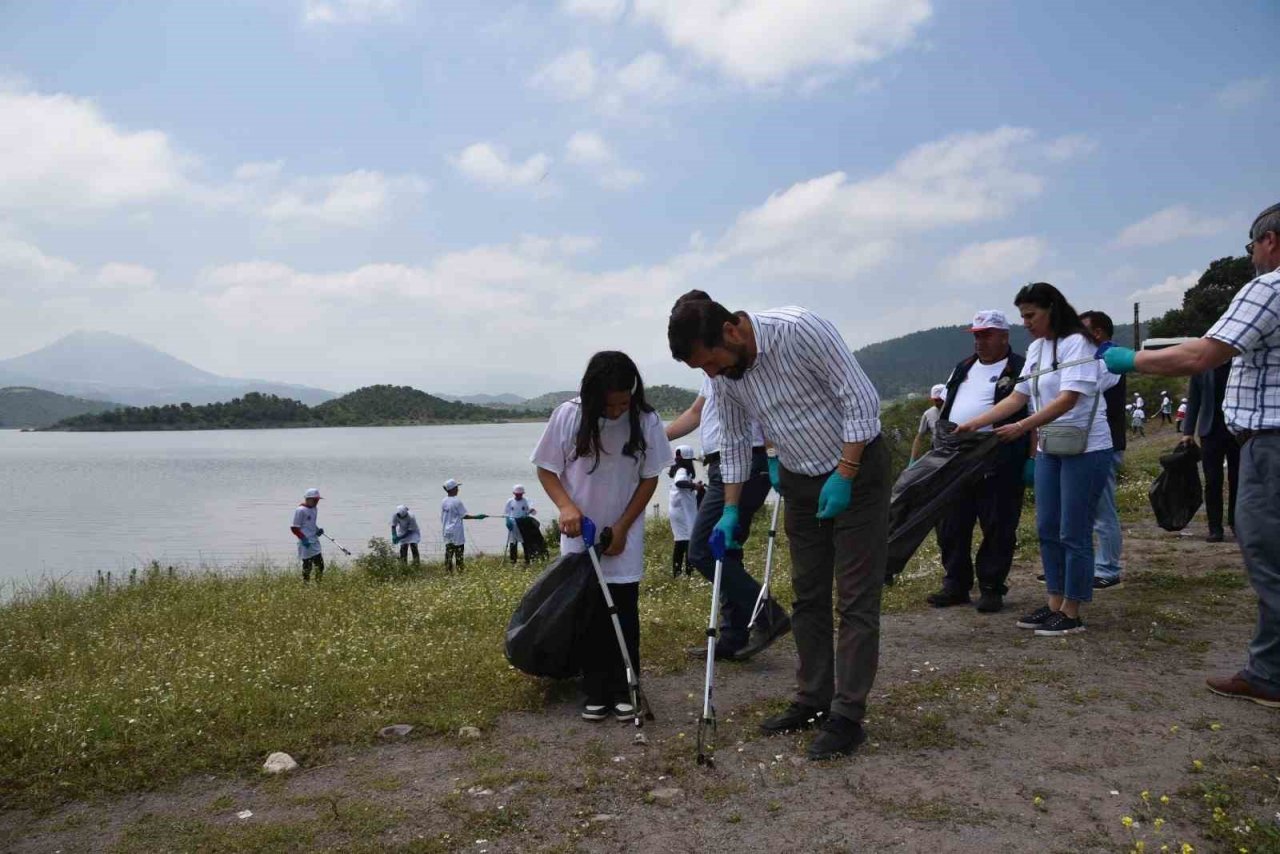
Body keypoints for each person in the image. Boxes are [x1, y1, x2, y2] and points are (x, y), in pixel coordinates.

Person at [668, 297, 888, 761]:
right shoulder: (724, 375)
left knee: (854, 596)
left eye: (710, 361)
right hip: (799, 478)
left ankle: (847, 715)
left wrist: (846, 474)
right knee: (808, 593)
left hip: (857, 470)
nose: (711, 374)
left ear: (732, 331)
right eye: (701, 369)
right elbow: (730, 439)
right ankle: (812, 699)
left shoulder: (799, 329)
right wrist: (729, 510)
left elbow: (860, 398)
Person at [1102, 202, 1280, 707]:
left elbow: (1203, 354)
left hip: (1271, 443)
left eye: (1251, 247)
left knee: (1268, 554)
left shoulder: (1270, 286)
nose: (1251, 258)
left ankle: (1271, 675)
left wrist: (1129, 358)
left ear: (1269, 240)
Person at [956, 282, 1116, 637]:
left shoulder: (1079, 343)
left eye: (1031, 315)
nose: (1026, 322)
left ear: (1052, 310)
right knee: (1047, 527)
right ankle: (1054, 601)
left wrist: (1022, 426)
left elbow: (1069, 399)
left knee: (1073, 530)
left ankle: (1073, 609)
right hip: (1049, 447)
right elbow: (1018, 396)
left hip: (1085, 447)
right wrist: (976, 423)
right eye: (1022, 316)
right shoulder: (1037, 349)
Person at [532, 351, 673, 721]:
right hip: (581, 533)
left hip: (624, 533)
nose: (615, 412)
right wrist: (566, 507)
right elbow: (547, 470)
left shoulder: (646, 419)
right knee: (589, 612)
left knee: (624, 610)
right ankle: (594, 689)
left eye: (622, 404)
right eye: (608, 406)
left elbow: (650, 477)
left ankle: (626, 687)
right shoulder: (568, 415)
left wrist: (624, 527)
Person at [666, 291, 790, 663]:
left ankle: (766, 612)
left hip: (745, 462)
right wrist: (653, 440)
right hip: (723, 462)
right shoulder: (712, 370)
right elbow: (694, 414)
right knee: (726, 549)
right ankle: (734, 635)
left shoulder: (734, 361)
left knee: (702, 548)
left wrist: (772, 456)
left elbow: (766, 410)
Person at [926, 310, 1030, 613]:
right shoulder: (964, 367)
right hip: (957, 457)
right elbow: (946, 406)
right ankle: (956, 584)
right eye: (976, 335)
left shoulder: (1020, 368)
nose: (979, 341)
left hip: (1000, 457)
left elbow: (1034, 413)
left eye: (985, 335)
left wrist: (1032, 457)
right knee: (951, 523)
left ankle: (991, 587)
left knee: (997, 524)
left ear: (1004, 336)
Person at [1079, 310, 1127, 591]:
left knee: (1102, 508)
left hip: (1105, 443)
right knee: (1080, 509)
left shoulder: (1112, 358)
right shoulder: (1091, 359)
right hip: (1085, 442)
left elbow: (1088, 387)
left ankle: (1107, 568)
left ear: (1097, 333)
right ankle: (1080, 565)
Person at [1181, 365, 1240, 543]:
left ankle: (1236, 523)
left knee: (1237, 479)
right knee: (1212, 481)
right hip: (1210, 430)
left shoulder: (1238, 364)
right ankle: (1215, 528)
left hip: (1237, 430)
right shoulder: (1202, 366)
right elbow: (1194, 400)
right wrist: (1188, 431)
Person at [440, 479, 484, 572]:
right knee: (459, 554)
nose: (458, 490)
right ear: (452, 489)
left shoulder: (444, 501)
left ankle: (448, 572)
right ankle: (460, 572)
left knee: (448, 553)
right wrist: (477, 517)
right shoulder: (457, 501)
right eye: (456, 488)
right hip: (456, 532)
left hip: (446, 531)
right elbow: (464, 516)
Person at [291, 487, 325, 582]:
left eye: (317, 500)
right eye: (315, 500)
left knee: (320, 566)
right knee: (307, 567)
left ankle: (319, 584)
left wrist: (318, 530)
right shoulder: (300, 510)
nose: (316, 502)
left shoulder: (315, 509)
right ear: (308, 499)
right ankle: (306, 586)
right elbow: (294, 528)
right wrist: (303, 539)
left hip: (314, 541)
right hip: (305, 543)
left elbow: (311, 524)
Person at [668, 468, 698, 576]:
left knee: (681, 541)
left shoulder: (680, 472)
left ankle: (678, 572)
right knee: (687, 542)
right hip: (683, 514)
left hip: (680, 513)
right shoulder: (682, 470)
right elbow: (679, 482)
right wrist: (694, 486)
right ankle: (688, 572)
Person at [909, 384, 947, 466]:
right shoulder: (928, 414)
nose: (938, 403)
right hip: (937, 453)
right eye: (936, 400)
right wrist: (912, 460)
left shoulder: (955, 411)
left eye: (941, 400)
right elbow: (919, 438)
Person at [503, 485, 537, 564]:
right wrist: (507, 521)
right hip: (513, 524)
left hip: (523, 524)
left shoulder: (527, 501)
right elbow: (506, 513)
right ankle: (513, 561)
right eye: (517, 494)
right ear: (513, 493)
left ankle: (527, 560)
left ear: (523, 494)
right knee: (513, 543)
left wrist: (531, 510)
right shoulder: (510, 501)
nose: (518, 496)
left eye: (520, 494)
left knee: (525, 542)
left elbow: (533, 511)